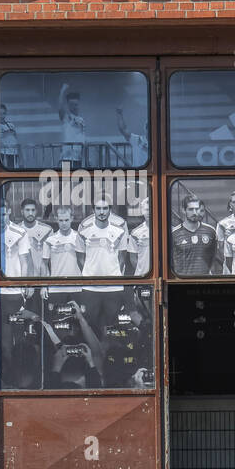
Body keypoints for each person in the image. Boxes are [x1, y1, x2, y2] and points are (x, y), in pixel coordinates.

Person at [80, 197, 128, 330]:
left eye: (105, 208)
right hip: (90, 288)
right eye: (98, 208)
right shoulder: (84, 229)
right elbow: (80, 258)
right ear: (93, 210)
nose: (102, 212)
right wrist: (91, 274)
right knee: (90, 327)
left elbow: (122, 258)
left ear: (110, 210)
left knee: (113, 328)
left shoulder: (120, 230)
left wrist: (112, 275)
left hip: (114, 288)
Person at [170, 195, 219, 276]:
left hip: (205, 281)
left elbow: (213, 257)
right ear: (183, 210)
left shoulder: (210, 231)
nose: (195, 213)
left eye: (197, 209)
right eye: (190, 209)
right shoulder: (174, 233)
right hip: (182, 281)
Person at [57, 84, 85, 167]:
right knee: (66, 180)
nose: (74, 107)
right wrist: (62, 91)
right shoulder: (66, 118)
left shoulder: (82, 120)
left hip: (78, 158)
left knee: (77, 179)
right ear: (68, 106)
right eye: (72, 105)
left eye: (76, 104)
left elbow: (82, 138)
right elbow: (60, 108)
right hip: (66, 158)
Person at [127, 192, 151, 277]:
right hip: (142, 278)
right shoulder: (135, 233)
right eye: (147, 209)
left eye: (152, 209)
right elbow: (133, 259)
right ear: (142, 211)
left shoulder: (168, 230)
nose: (149, 212)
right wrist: (143, 272)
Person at [0, 103, 20, 168]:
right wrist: (8, 133)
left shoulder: (11, 125)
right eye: (0, 113)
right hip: (4, 152)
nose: (2, 116)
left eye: (3, 113)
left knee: (13, 168)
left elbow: (16, 138)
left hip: (14, 152)